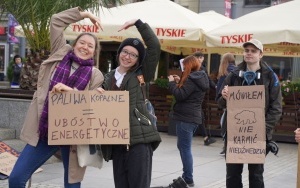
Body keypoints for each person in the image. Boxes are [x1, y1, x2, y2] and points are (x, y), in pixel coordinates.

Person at [9, 7, 104, 188]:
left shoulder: (95, 75)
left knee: (72, 186)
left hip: (74, 137)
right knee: (16, 178)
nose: (85, 47)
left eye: (90, 46)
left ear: (94, 52)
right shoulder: (59, 53)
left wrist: (73, 92)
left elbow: (91, 105)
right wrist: (85, 15)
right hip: (46, 130)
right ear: (74, 44)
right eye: (82, 43)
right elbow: (56, 21)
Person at [97, 19, 161, 188]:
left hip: (139, 142)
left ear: (138, 59)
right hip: (116, 143)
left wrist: (138, 24)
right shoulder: (107, 78)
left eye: (133, 54)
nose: (127, 56)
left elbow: (154, 46)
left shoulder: (141, 74)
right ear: (119, 53)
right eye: (125, 51)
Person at [217, 39, 282, 188]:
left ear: (261, 54)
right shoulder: (233, 75)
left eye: (253, 51)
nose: (249, 54)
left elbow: (276, 108)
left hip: (258, 136)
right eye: (247, 51)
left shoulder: (270, 77)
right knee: (232, 175)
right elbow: (220, 103)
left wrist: (262, 129)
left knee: (256, 176)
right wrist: (225, 97)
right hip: (234, 135)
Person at [168, 55, 209, 187]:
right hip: (192, 117)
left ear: (189, 66)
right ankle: (187, 176)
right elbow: (189, 92)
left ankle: (188, 178)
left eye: (184, 66)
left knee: (185, 148)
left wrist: (171, 83)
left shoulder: (192, 79)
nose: (183, 68)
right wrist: (181, 81)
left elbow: (180, 95)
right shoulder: (199, 77)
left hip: (186, 117)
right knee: (184, 147)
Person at [193, 51, 216, 146]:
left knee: (200, 116)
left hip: (198, 96)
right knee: (199, 116)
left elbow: (208, 79)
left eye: (201, 57)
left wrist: (215, 86)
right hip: (194, 95)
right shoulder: (193, 68)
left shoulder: (202, 69)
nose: (199, 59)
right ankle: (205, 137)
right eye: (197, 57)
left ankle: (205, 137)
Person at [215, 52, 236, 155]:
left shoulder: (226, 73)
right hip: (234, 103)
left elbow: (220, 89)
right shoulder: (236, 71)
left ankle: (227, 146)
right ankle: (227, 145)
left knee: (224, 123)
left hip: (226, 102)